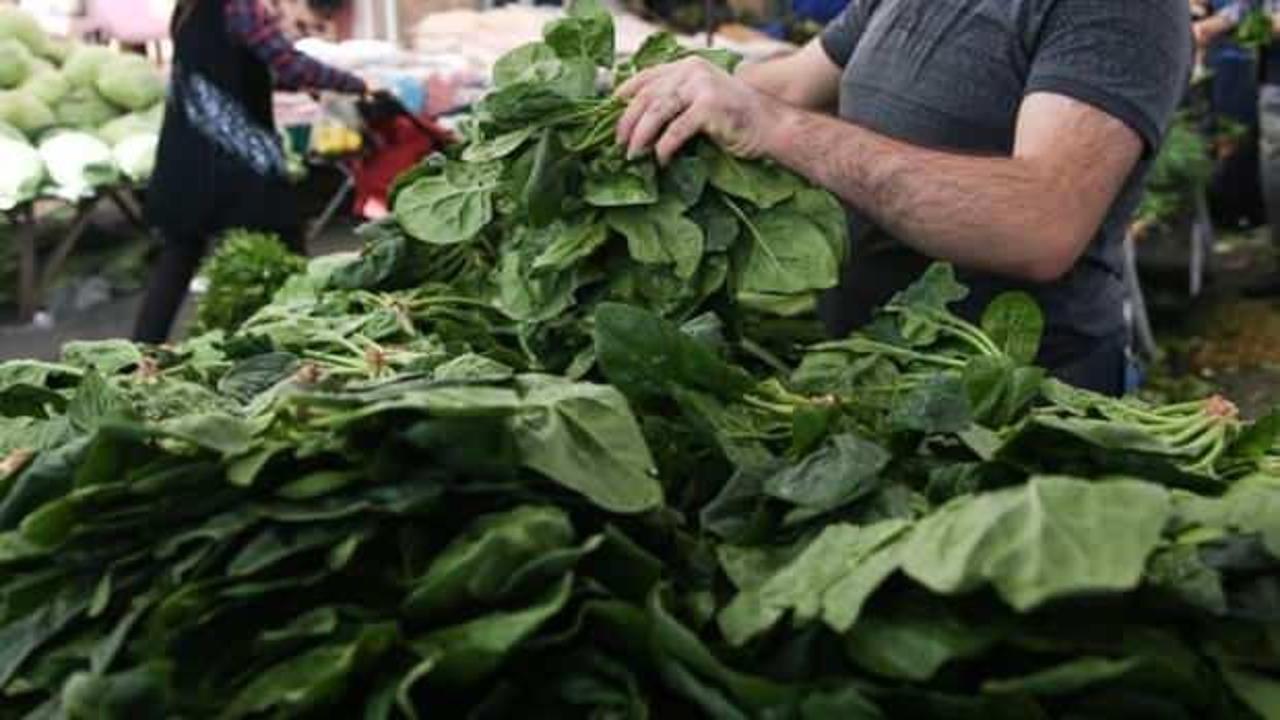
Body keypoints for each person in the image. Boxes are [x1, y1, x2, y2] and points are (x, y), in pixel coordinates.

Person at [615, 1, 1192, 396]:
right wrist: (645, 92)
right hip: (874, 371)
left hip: (1014, 406)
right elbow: (794, 82)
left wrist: (777, 128)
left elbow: (1040, 221)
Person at [133, 0, 370, 344]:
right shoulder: (238, 7)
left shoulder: (189, 9)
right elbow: (288, 64)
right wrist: (354, 82)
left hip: (187, 155)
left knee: (179, 254)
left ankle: (134, 360)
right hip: (236, 157)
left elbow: (231, 63)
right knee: (287, 242)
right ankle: (317, 337)